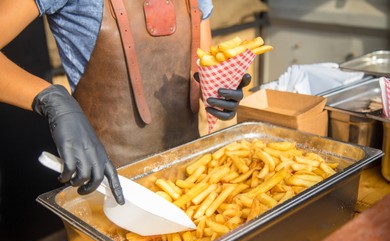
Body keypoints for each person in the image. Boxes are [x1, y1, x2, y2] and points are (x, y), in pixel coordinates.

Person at [0, 0, 251, 206]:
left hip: (192, 185)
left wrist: (219, 91)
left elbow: (203, 67)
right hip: (108, 192)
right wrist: (52, 99)